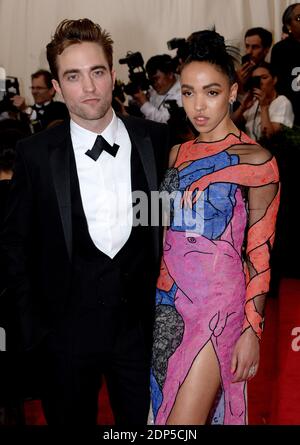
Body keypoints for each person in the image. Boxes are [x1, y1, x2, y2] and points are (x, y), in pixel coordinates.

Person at [0, 18, 169, 426]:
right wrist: (33, 330)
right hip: (64, 337)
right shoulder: (35, 154)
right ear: (58, 87)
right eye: (73, 76)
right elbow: (14, 244)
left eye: (96, 72)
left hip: (140, 333)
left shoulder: (156, 141)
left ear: (112, 75)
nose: (89, 87)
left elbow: (169, 225)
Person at [149, 30, 280, 425]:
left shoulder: (257, 160)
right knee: (161, 413)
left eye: (211, 92)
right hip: (167, 303)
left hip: (217, 309)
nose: (198, 105)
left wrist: (252, 331)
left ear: (233, 91)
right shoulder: (175, 154)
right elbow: (160, 229)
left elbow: (260, 252)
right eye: (188, 92)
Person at [232, 62, 294, 141]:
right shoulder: (254, 102)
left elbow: (269, 137)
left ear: (274, 80)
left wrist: (264, 107)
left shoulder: (282, 102)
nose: (260, 82)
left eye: (264, 78)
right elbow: (230, 126)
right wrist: (242, 107)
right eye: (256, 79)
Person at [271, 3, 300, 126]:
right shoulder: (281, 49)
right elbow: (278, 86)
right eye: (299, 18)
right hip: (294, 117)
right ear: (288, 25)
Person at [133, 54, 182, 123]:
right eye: (151, 80)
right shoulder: (159, 88)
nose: (154, 84)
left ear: (170, 74)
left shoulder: (182, 93)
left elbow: (165, 122)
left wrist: (144, 103)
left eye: (156, 78)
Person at [236, 27, 273, 93]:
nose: (249, 52)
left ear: (266, 49)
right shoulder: (238, 69)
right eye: (247, 46)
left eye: (255, 47)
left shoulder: (270, 73)